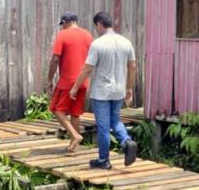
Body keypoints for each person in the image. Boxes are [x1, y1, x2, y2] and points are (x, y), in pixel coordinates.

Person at [69, 11, 137, 169]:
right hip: (118, 90)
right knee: (115, 120)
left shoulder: (97, 44)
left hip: (101, 93)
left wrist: (75, 88)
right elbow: (132, 66)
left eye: (96, 26)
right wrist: (129, 88)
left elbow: (87, 69)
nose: (96, 29)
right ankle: (127, 142)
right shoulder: (126, 42)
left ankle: (103, 160)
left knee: (104, 126)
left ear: (99, 24)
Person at [46, 11, 93, 152]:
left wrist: (49, 79)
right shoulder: (88, 35)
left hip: (67, 81)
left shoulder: (63, 35)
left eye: (63, 24)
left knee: (56, 109)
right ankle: (74, 146)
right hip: (83, 81)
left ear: (66, 22)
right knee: (75, 113)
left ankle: (75, 135)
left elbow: (55, 59)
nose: (62, 27)